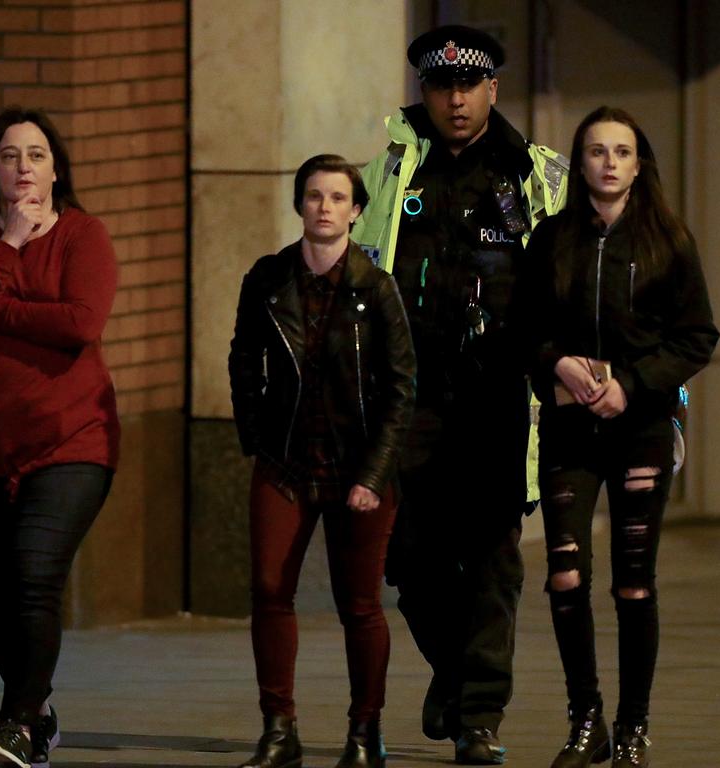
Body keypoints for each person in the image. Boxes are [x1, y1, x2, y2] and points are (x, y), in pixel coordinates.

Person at [351, 25, 567, 764]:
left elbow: (569, 285)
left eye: (469, 86)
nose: (456, 99)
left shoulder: (533, 175)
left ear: (492, 90)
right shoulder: (386, 171)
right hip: (406, 396)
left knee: (493, 559)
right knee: (407, 556)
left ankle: (480, 716)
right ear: (424, 93)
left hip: (499, 397)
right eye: (442, 87)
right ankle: (453, 671)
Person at [526, 106, 719, 768]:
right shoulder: (552, 240)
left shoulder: (669, 242)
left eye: (621, 151)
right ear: (578, 164)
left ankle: (634, 728)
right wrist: (558, 363)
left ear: (640, 165)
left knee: (633, 582)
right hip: (570, 430)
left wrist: (632, 383)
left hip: (639, 428)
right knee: (566, 573)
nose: (608, 162)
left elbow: (698, 337)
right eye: (596, 151)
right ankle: (587, 721)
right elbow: (526, 329)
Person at [0, 106, 120, 768]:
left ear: (56, 169)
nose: (23, 167)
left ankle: (14, 726)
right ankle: (37, 714)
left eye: (36, 155)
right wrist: (7, 245)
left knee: (33, 575)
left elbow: (79, 322)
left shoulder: (83, 237)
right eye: (9, 156)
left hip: (70, 442)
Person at [229, 155, 416, 768]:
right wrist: (254, 432)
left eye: (338, 198)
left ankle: (366, 732)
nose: (325, 207)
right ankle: (279, 730)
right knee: (269, 590)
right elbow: (243, 358)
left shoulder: (376, 288)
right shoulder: (268, 279)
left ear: (357, 210)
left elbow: (400, 387)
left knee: (358, 602)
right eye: (314, 196)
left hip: (358, 466)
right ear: (299, 205)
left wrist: (372, 473)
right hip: (286, 461)